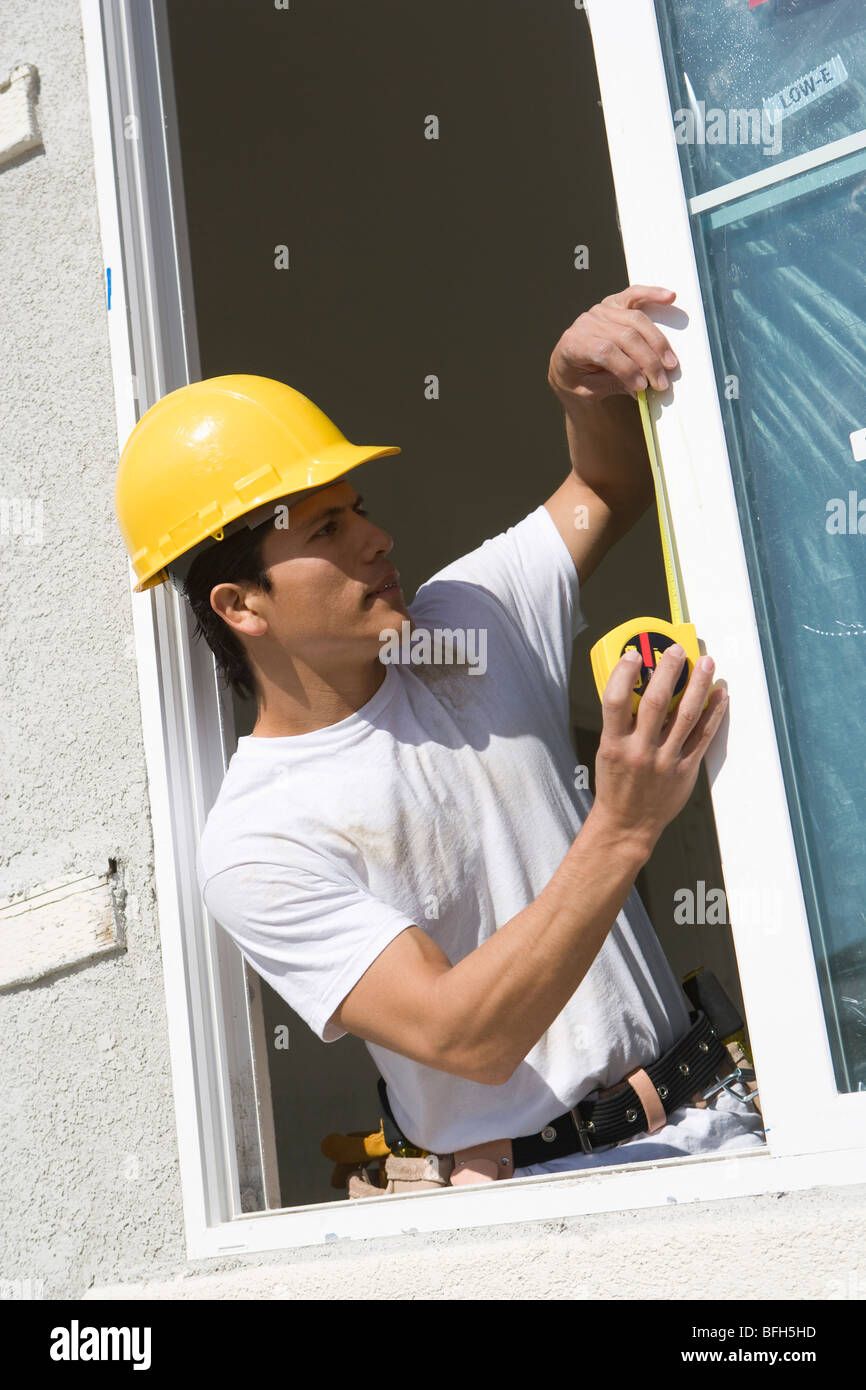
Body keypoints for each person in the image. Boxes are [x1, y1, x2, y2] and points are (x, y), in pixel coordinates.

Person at [123, 283, 764, 1185]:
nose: (379, 539)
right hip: (551, 1207)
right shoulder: (258, 841)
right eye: (329, 528)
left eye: (362, 509)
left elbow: (606, 488)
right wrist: (623, 823)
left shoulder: (468, 620)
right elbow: (465, 1036)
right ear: (241, 605)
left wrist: (580, 392)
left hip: (718, 1123)